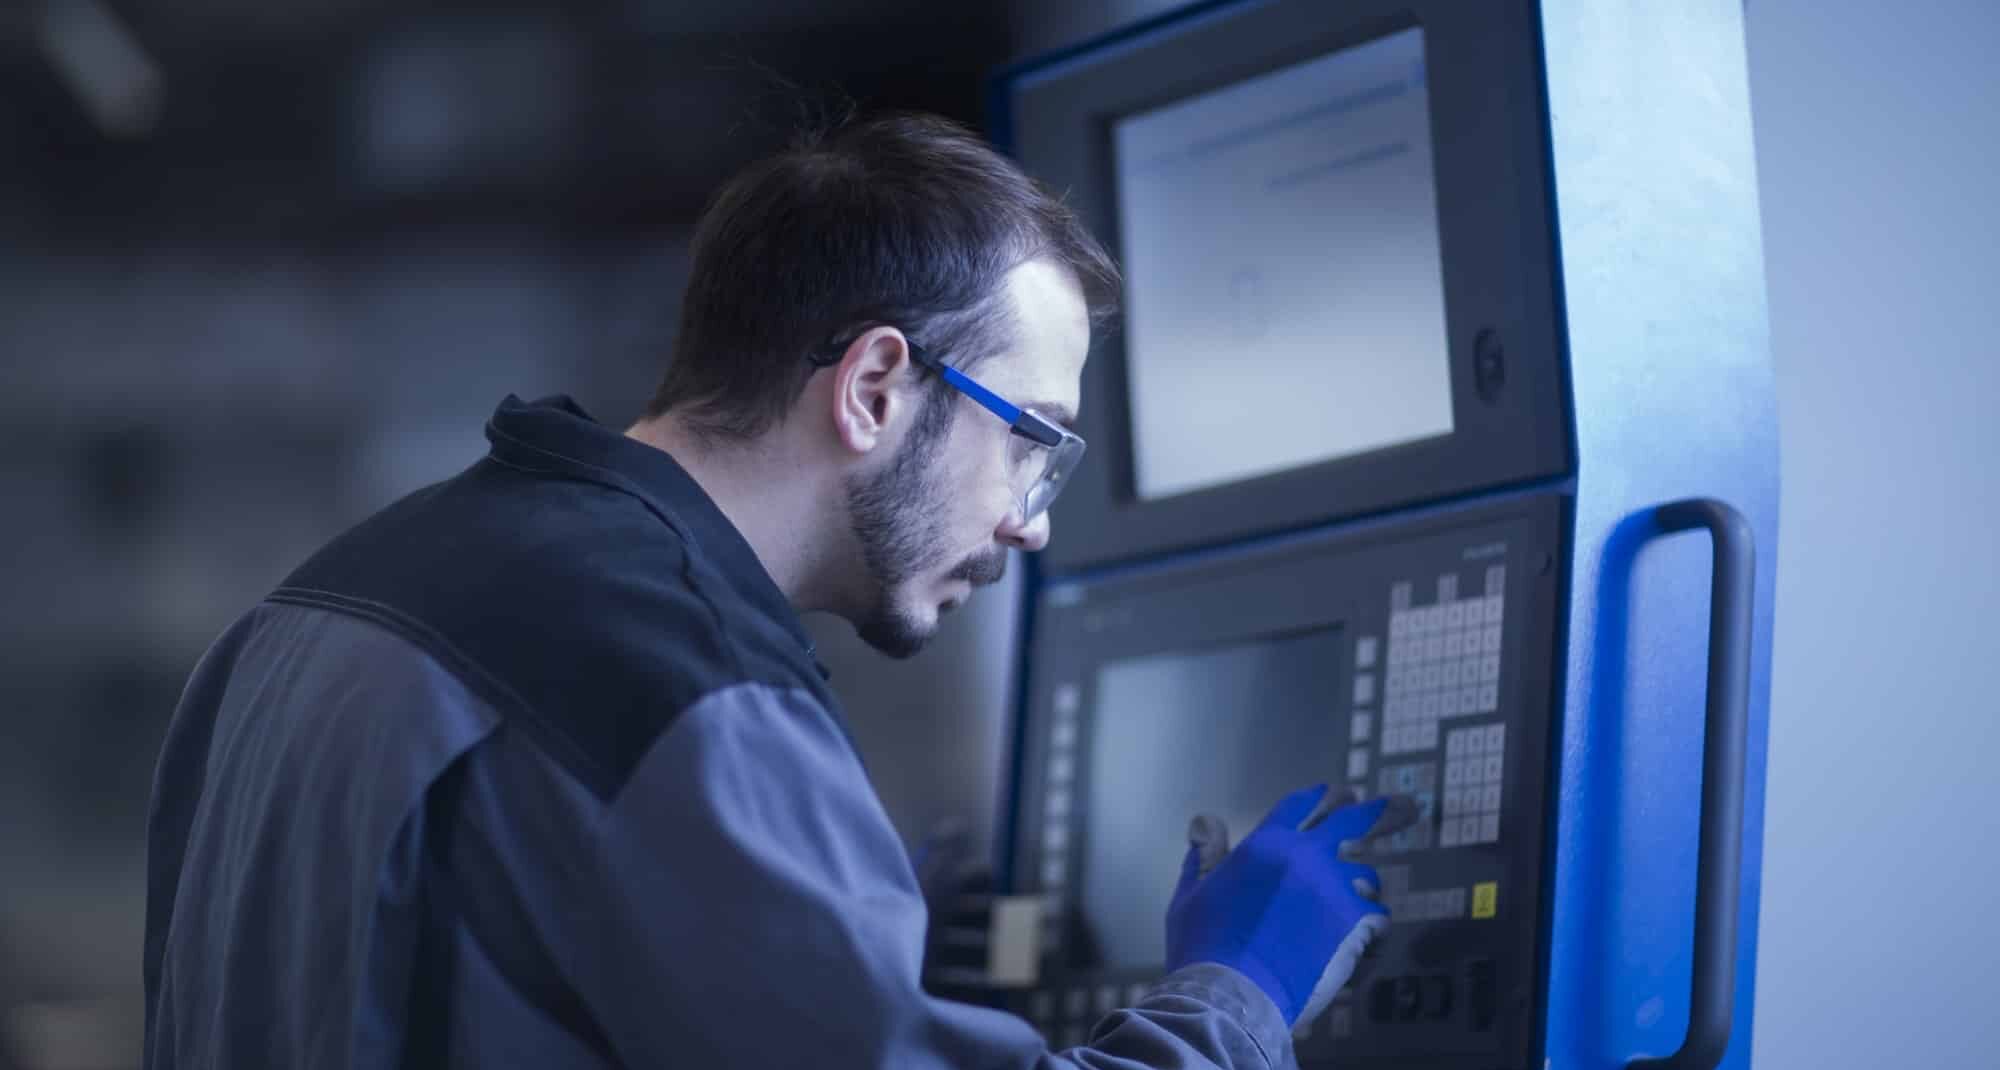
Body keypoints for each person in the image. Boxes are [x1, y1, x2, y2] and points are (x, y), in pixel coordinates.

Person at [141, 113, 1393, 1069]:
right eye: (1030, 436)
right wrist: (1235, 993)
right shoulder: (671, 671)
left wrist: (831, 922)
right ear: (872, 387)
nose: (1028, 515)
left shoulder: (314, 606)